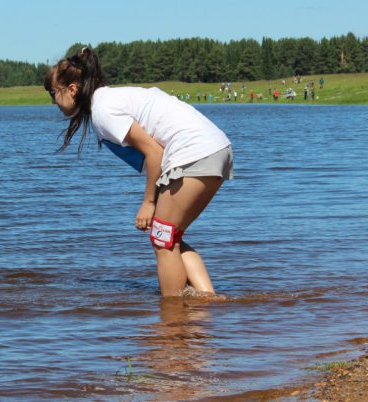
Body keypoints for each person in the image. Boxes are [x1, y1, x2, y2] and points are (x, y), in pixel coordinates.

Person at [44, 47, 233, 297]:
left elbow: (154, 153)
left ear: (72, 90)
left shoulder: (103, 110)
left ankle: (172, 317)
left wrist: (148, 202)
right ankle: (209, 300)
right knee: (169, 236)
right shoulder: (107, 101)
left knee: (162, 238)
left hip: (194, 152)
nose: (53, 100)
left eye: (53, 93)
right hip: (215, 149)